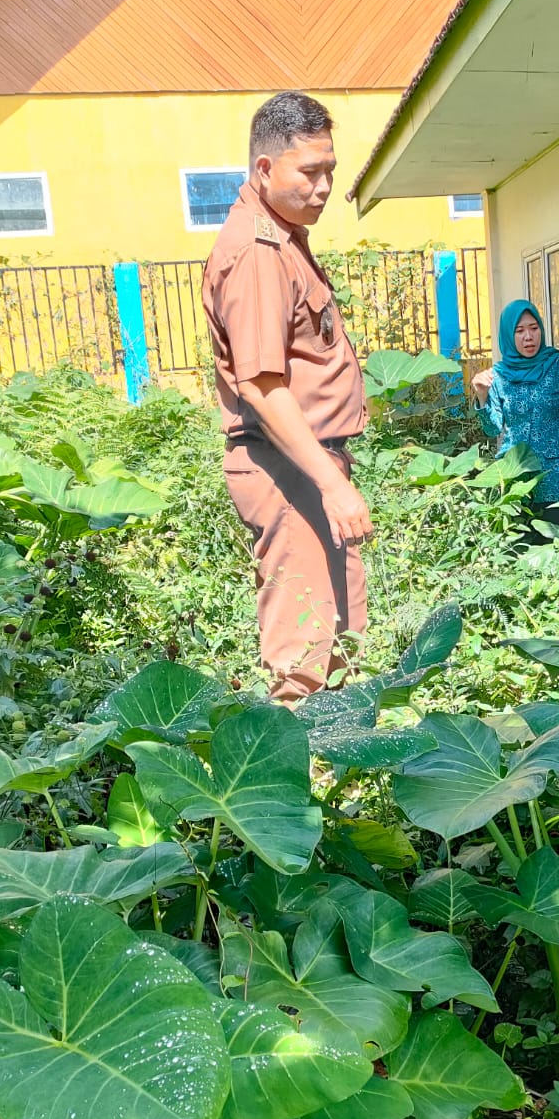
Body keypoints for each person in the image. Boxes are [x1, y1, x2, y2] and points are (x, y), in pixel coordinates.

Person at [203, 91, 371, 703]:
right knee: (303, 653)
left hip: (308, 462)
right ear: (264, 169)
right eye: (310, 171)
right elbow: (262, 385)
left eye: (330, 170)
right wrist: (331, 482)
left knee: (343, 632)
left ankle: (340, 776)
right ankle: (291, 788)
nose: (325, 186)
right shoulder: (256, 253)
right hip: (287, 465)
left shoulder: (284, 233)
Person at [472, 301, 559, 529]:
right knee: (519, 551)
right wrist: (482, 397)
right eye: (519, 331)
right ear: (508, 335)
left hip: (556, 475)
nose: (528, 337)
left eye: (534, 328)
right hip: (514, 474)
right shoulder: (498, 376)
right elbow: (492, 429)